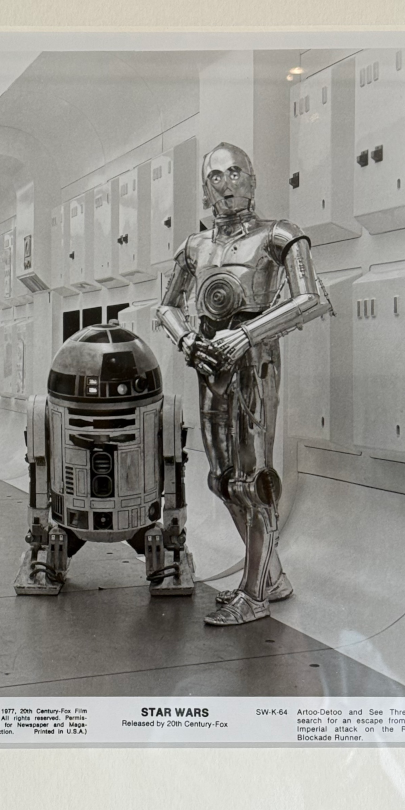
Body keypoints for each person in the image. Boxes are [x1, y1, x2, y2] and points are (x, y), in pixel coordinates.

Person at [156, 143, 330, 625]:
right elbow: (167, 304)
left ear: (252, 180)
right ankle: (272, 576)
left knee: (252, 481)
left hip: (255, 360)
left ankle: (253, 593)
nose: (227, 183)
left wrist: (247, 335)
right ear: (205, 189)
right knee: (220, 478)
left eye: (235, 172)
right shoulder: (195, 246)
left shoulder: (279, 235)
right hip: (209, 361)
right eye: (216, 176)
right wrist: (186, 339)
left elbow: (312, 297)